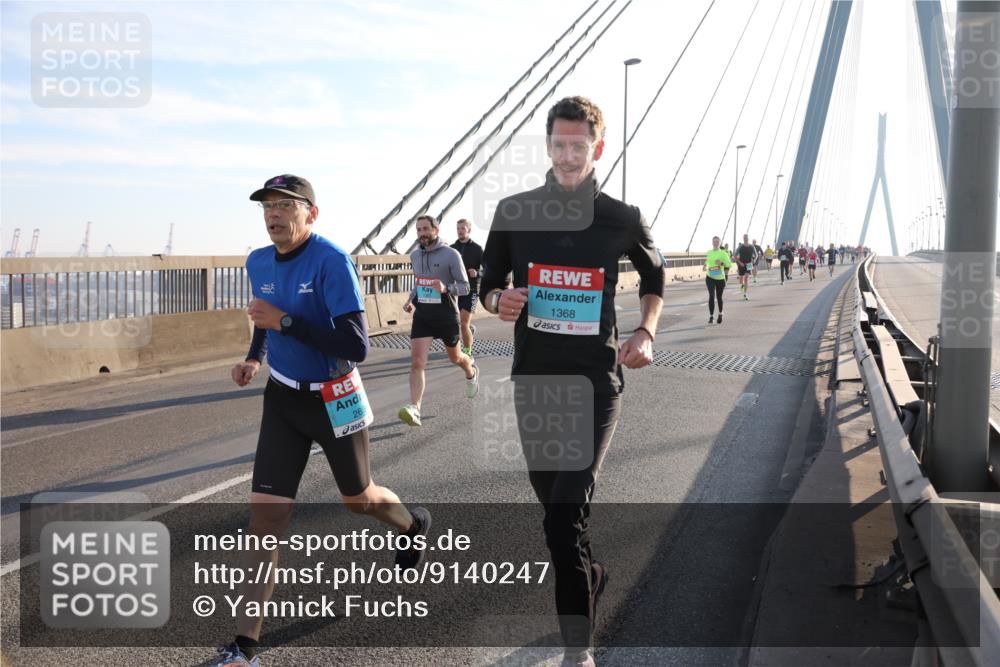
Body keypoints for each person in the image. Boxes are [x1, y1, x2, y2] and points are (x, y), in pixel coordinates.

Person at [214, 175, 431, 667]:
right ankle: (245, 644)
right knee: (265, 519)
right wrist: (254, 356)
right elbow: (262, 316)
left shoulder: (332, 261)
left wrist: (284, 323)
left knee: (359, 500)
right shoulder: (258, 261)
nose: (274, 214)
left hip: (336, 397)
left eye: (286, 206)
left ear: (311, 214)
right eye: (268, 206)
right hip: (284, 398)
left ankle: (411, 523)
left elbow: (356, 346)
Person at [479, 96, 664, 667]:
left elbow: (655, 274)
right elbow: (487, 283)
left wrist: (646, 331)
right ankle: (593, 575)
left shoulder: (622, 217)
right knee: (559, 518)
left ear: (596, 148)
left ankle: (576, 652)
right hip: (533, 382)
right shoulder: (514, 210)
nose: (566, 155)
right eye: (558, 144)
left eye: (577, 146)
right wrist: (498, 300)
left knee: (563, 519)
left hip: (595, 385)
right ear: (548, 145)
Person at [398, 215, 479, 427]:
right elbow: (418, 283)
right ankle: (415, 408)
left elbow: (465, 287)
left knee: (456, 358)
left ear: (436, 230)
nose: (422, 233)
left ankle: (470, 372)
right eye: (418, 230)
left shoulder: (451, 255)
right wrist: (410, 301)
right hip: (423, 315)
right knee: (417, 362)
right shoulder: (415, 256)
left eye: (425, 229)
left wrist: (446, 288)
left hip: (445, 314)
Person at [451, 218, 484, 357]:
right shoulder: (451, 249)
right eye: (458, 228)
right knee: (458, 323)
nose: (460, 231)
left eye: (462, 228)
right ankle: (469, 330)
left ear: (469, 230)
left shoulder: (477, 249)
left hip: (471, 290)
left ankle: (467, 352)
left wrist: (478, 273)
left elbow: (488, 270)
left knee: (463, 324)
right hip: (454, 290)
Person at [705, 236, 731, 323]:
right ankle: (711, 316)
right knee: (711, 296)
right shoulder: (709, 252)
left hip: (720, 278)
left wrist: (721, 263)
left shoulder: (724, 253)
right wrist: (705, 266)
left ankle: (720, 313)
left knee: (719, 297)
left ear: (720, 243)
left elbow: (729, 264)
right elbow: (707, 261)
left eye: (717, 242)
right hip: (710, 276)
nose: (715, 243)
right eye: (714, 242)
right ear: (712, 243)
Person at [734, 234, 756, 300]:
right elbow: (735, 255)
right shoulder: (740, 247)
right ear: (743, 238)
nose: (745, 239)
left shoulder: (751, 247)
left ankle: (745, 294)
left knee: (746, 278)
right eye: (744, 238)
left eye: (746, 238)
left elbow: (756, 255)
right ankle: (742, 285)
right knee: (741, 280)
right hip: (741, 264)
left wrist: (753, 260)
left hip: (749, 264)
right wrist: (739, 262)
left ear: (748, 238)